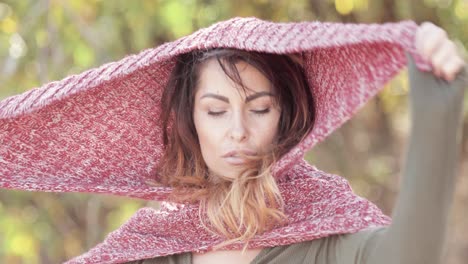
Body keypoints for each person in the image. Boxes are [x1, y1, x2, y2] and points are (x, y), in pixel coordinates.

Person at [0, 18, 465, 264]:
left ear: (286, 118)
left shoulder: (328, 236)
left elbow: (412, 256)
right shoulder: (153, 246)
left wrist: (437, 102)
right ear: (189, 121)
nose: (238, 130)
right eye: (216, 111)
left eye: (259, 109)